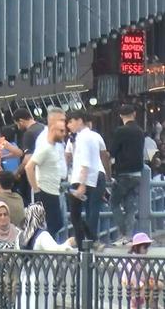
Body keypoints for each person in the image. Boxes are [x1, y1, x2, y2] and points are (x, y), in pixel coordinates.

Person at [17, 203, 76, 309]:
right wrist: (69, 243)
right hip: (40, 278)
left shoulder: (20, 235)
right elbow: (57, 250)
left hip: (24, 276)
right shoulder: (42, 235)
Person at [25, 107, 67, 237]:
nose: (64, 131)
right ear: (53, 124)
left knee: (57, 224)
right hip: (45, 190)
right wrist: (37, 190)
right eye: (61, 121)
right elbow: (29, 166)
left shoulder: (54, 144)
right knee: (49, 226)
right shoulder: (44, 143)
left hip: (55, 187)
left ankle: (54, 251)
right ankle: (49, 253)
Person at [66, 110, 107, 243]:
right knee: (91, 210)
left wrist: (82, 184)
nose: (68, 125)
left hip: (83, 179)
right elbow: (103, 155)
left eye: (71, 121)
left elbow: (85, 162)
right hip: (92, 177)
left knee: (75, 214)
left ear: (80, 121)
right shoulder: (91, 136)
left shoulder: (83, 137)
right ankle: (91, 240)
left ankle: (86, 243)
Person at [110, 104, 146, 245]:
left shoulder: (120, 131)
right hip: (137, 173)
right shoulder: (140, 131)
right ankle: (129, 236)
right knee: (130, 206)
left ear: (120, 116)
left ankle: (123, 233)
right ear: (134, 114)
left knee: (114, 203)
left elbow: (112, 151)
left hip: (123, 173)